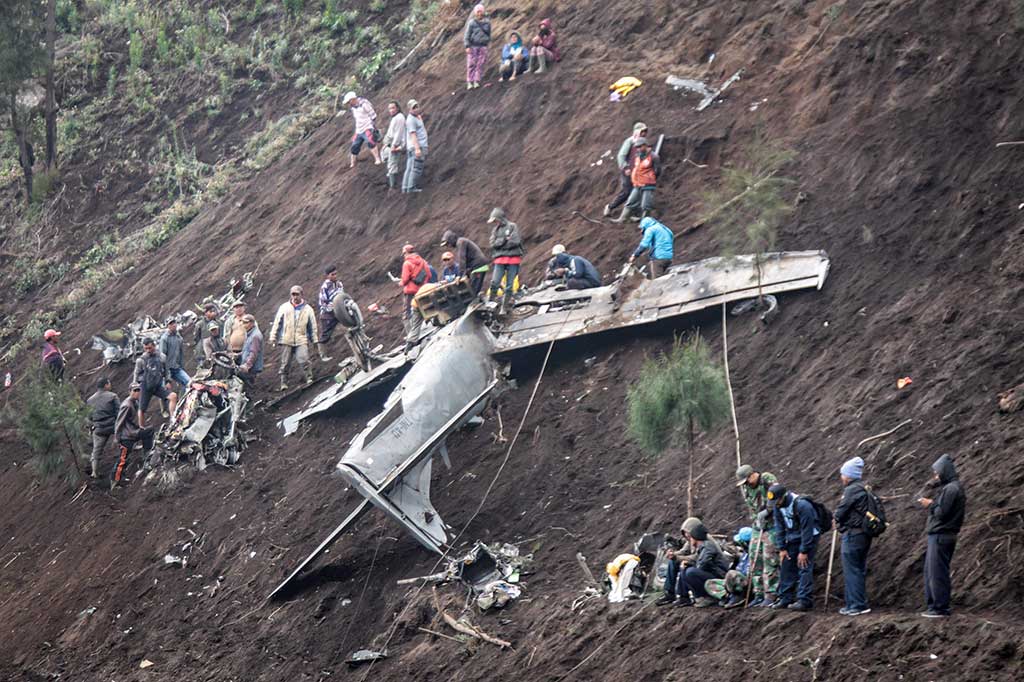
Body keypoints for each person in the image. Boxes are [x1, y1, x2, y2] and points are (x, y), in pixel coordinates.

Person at [918, 454, 966, 618]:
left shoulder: (951, 489)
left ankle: (940, 608)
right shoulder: (952, 487)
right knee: (932, 571)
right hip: (943, 535)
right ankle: (934, 606)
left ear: (944, 471)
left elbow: (941, 512)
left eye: (937, 472)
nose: (935, 476)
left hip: (941, 535)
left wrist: (930, 504)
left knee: (937, 573)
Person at [768, 483, 821, 612]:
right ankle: (785, 597)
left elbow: (807, 530)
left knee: (804, 566)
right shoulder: (777, 506)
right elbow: (779, 527)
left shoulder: (803, 505)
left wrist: (804, 551)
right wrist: (782, 548)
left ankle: (804, 600)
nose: (775, 504)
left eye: (777, 501)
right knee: (787, 565)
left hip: (809, 537)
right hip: (793, 536)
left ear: (783, 496)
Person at [735, 464, 780, 606]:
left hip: (771, 526)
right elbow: (752, 507)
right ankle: (758, 593)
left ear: (752, 474)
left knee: (769, 559)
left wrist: (767, 511)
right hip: (757, 526)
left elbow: (776, 496)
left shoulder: (767, 479)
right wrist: (757, 520)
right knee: (755, 557)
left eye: (747, 480)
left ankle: (771, 594)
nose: (746, 484)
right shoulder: (746, 488)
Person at [834, 456, 872, 616]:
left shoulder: (851, 490)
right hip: (863, 534)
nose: (841, 477)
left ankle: (857, 605)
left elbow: (841, 511)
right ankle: (855, 603)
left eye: (843, 474)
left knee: (852, 570)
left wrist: (836, 517)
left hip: (853, 534)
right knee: (858, 569)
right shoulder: (863, 488)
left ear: (849, 475)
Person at [270, 285, 321, 391]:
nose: (295, 297)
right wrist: (273, 337)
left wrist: (315, 340)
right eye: (293, 294)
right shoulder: (284, 307)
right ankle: (284, 382)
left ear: (302, 294)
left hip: (301, 339)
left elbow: (312, 326)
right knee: (285, 362)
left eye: (297, 294)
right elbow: (277, 322)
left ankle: (309, 377)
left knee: (304, 359)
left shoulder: (308, 309)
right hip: (286, 339)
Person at [111, 383, 155, 489]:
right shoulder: (126, 405)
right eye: (134, 390)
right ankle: (115, 481)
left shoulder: (135, 402)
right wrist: (117, 438)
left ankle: (147, 455)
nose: (137, 392)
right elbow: (119, 422)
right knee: (123, 459)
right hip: (127, 436)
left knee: (148, 432)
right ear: (129, 391)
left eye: (138, 390)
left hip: (133, 432)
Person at [681, 520, 731, 607]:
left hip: (721, 577)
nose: (689, 540)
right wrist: (689, 564)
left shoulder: (708, 547)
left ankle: (709, 597)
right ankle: (699, 598)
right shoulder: (702, 547)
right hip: (714, 574)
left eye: (691, 537)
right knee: (685, 569)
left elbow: (702, 565)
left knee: (691, 572)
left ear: (695, 537)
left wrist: (692, 564)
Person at [604, 122, 648, 217]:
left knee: (637, 192)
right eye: (642, 131)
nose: (644, 133)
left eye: (645, 131)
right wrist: (625, 168)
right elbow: (621, 155)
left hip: (637, 172)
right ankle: (610, 207)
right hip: (628, 171)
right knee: (626, 191)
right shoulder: (630, 141)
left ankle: (632, 213)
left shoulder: (643, 143)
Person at [657, 516, 702, 606]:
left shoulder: (702, 540)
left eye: (687, 532)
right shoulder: (690, 540)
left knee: (684, 565)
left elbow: (696, 557)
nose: (686, 535)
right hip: (696, 563)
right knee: (673, 562)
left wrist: (677, 557)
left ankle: (684, 596)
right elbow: (684, 551)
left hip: (702, 566)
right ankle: (669, 593)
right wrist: (673, 554)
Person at [612, 138, 660, 223]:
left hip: (648, 184)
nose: (638, 149)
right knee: (631, 201)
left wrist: (650, 178)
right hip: (637, 183)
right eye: (637, 147)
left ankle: (645, 223)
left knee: (646, 205)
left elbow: (658, 171)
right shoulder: (638, 156)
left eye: (640, 147)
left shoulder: (654, 157)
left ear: (645, 145)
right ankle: (623, 219)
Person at [487, 207, 524, 314]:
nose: (495, 223)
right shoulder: (495, 230)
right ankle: (490, 303)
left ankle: (504, 307)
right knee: (494, 282)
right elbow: (492, 244)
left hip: (513, 259)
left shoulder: (512, 226)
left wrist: (501, 245)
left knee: (509, 286)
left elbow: (515, 241)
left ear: (500, 218)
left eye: (496, 220)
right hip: (499, 260)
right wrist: (504, 240)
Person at [705, 527, 753, 608]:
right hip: (735, 584)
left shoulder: (755, 555)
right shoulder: (743, 555)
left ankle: (738, 597)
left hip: (746, 586)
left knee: (731, 574)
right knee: (709, 583)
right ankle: (727, 596)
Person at [133, 338, 177, 425]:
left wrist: (168, 381)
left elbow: (167, 370)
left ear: (154, 345)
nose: (148, 350)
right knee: (141, 409)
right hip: (145, 386)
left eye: (150, 348)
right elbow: (136, 373)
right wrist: (135, 387)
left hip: (157, 385)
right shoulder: (141, 360)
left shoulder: (162, 357)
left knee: (173, 396)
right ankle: (142, 428)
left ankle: (173, 420)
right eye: (146, 348)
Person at [86, 377, 120, 479]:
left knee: (96, 451)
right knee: (126, 439)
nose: (110, 385)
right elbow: (119, 413)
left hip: (98, 428)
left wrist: (90, 429)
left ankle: (94, 472)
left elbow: (88, 417)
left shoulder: (90, 400)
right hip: (112, 425)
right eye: (109, 383)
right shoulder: (113, 396)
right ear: (106, 385)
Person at [400, 244, 430, 352]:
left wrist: (401, 283)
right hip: (422, 291)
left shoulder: (407, 263)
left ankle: (411, 338)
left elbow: (404, 279)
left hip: (410, 293)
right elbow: (429, 274)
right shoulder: (423, 261)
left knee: (407, 314)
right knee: (423, 311)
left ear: (406, 253)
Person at [440, 229, 488, 295]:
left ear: (451, 240)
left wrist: (459, 275)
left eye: (448, 244)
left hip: (478, 266)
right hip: (475, 266)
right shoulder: (460, 242)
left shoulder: (461, 242)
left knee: (473, 290)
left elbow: (462, 259)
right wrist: (465, 273)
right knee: (471, 288)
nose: (448, 246)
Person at [341, 91, 381, 167]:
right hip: (359, 129)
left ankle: (377, 159)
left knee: (370, 142)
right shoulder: (353, 108)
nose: (348, 104)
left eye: (349, 102)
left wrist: (372, 126)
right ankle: (352, 163)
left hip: (367, 127)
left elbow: (373, 115)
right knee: (354, 145)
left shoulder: (364, 104)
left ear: (352, 99)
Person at [463, 4, 491, 89]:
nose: (479, 13)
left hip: (483, 46)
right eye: (478, 12)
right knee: (471, 64)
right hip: (473, 46)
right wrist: (467, 46)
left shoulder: (487, 22)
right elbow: (467, 35)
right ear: (475, 13)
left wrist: (487, 42)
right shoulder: (472, 23)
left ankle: (476, 80)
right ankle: (469, 81)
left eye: (481, 11)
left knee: (480, 64)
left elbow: (489, 34)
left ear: (483, 12)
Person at [403, 100, 428, 193]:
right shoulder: (411, 120)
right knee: (417, 168)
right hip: (417, 146)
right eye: (414, 108)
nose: (416, 109)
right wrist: (417, 149)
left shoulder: (416, 117)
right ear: (409, 109)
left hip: (413, 147)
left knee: (410, 168)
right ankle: (411, 188)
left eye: (417, 107)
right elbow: (413, 135)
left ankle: (405, 188)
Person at [159, 318, 190, 390]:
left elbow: (181, 354)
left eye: (174, 323)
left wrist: (182, 366)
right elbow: (162, 356)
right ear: (168, 326)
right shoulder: (164, 338)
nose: (173, 325)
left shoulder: (179, 338)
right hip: (167, 369)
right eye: (171, 324)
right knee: (165, 390)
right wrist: (165, 375)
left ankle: (183, 397)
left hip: (176, 368)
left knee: (189, 383)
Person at [382, 100, 406, 190]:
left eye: (393, 108)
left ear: (398, 108)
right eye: (389, 108)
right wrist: (386, 143)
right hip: (390, 144)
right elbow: (390, 133)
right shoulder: (395, 118)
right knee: (385, 156)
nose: (391, 110)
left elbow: (398, 134)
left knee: (392, 164)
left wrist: (394, 145)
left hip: (396, 144)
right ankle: (390, 179)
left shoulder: (399, 118)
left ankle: (393, 187)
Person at [235, 314, 264, 386]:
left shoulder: (255, 336)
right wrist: (238, 355)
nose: (243, 325)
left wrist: (247, 365)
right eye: (242, 322)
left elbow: (254, 353)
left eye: (245, 323)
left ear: (252, 323)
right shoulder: (249, 334)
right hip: (248, 365)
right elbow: (247, 350)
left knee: (248, 386)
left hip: (251, 368)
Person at [318, 265, 344, 345]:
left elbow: (343, 296)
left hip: (340, 309)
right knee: (325, 336)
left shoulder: (339, 284)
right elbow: (322, 302)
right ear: (328, 276)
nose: (335, 276)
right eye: (332, 274)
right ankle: (323, 349)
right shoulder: (325, 287)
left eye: (336, 274)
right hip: (328, 313)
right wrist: (331, 307)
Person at [193, 303, 218, 368]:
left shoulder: (218, 323)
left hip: (216, 352)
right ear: (205, 313)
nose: (213, 313)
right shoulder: (200, 324)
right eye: (211, 311)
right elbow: (197, 338)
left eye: (214, 311)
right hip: (203, 354)